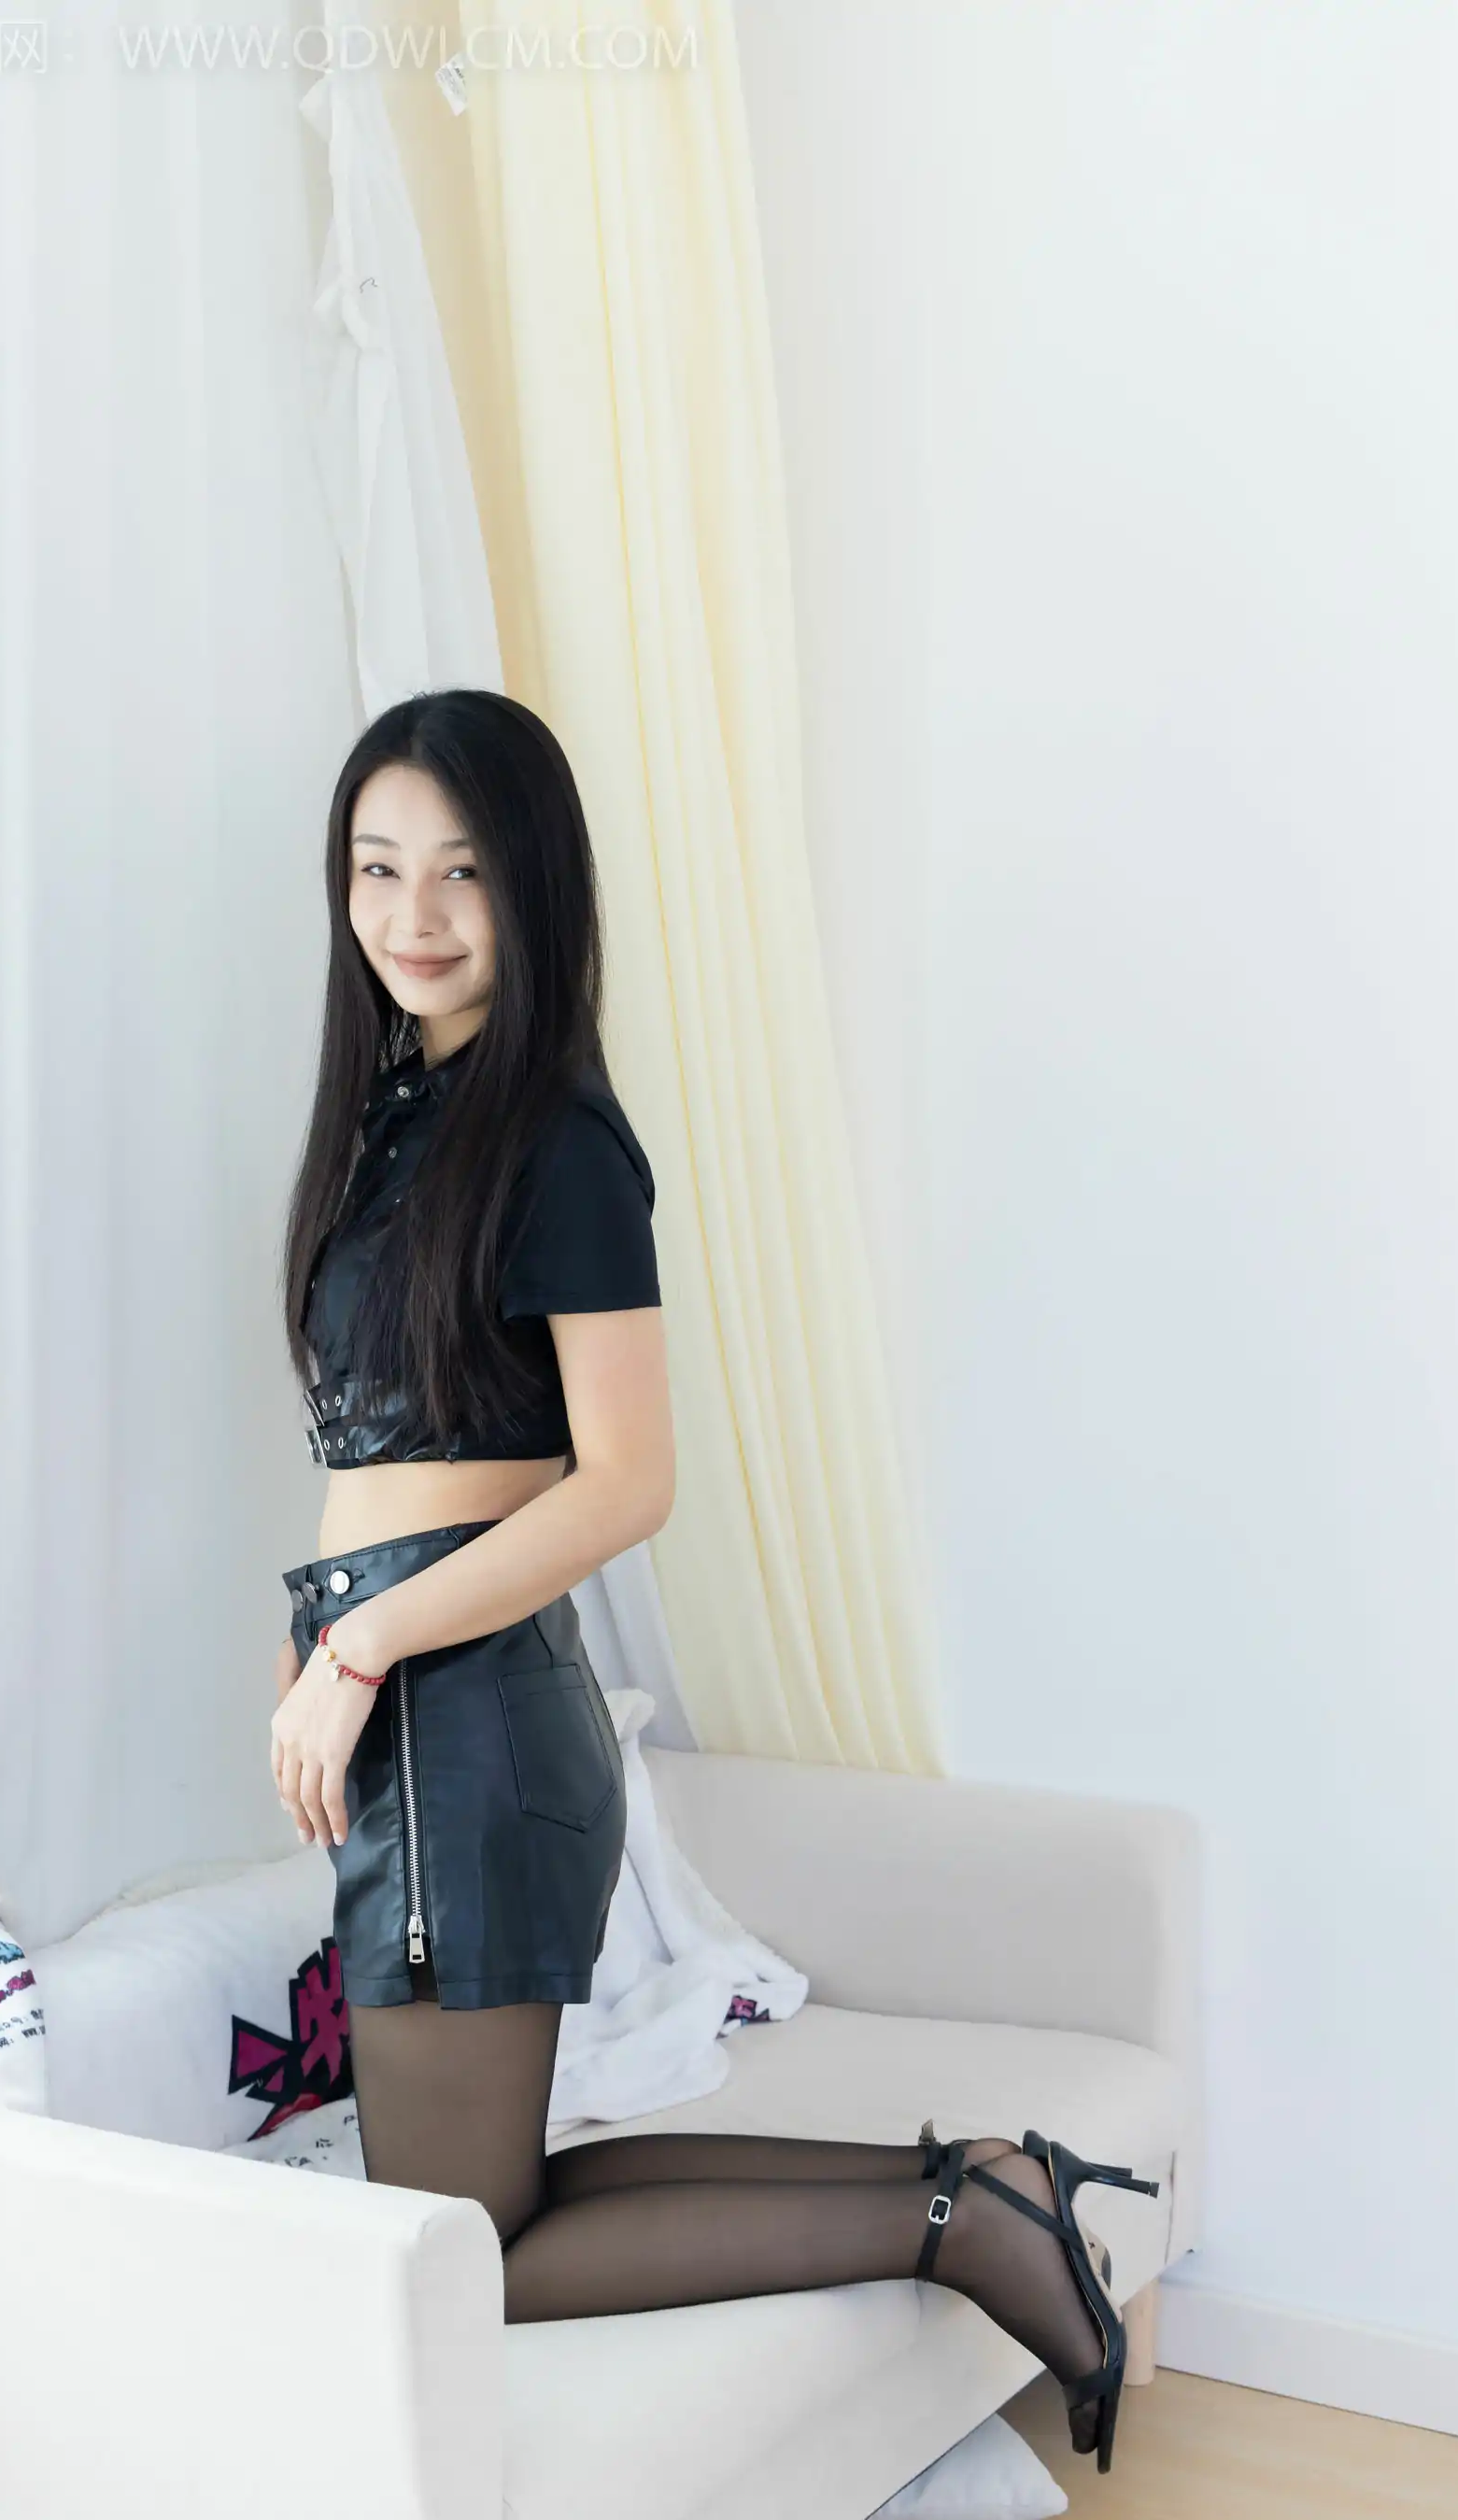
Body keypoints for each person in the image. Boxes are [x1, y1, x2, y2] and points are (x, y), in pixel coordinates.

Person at [268, 688, 1158, 2472]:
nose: (414, 912)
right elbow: (381, 1458)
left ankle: (962, 2218)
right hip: (417, 1706)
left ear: (535, 884)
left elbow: (628, 1480)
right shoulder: (398, 1111)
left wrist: (358, 1645)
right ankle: (978, 2188)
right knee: (486, 2199)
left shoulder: (554, 1137)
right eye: (377, 867)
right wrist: (322, 1653)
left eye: (462, 869)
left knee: (462, 2247)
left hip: (463, 1709)